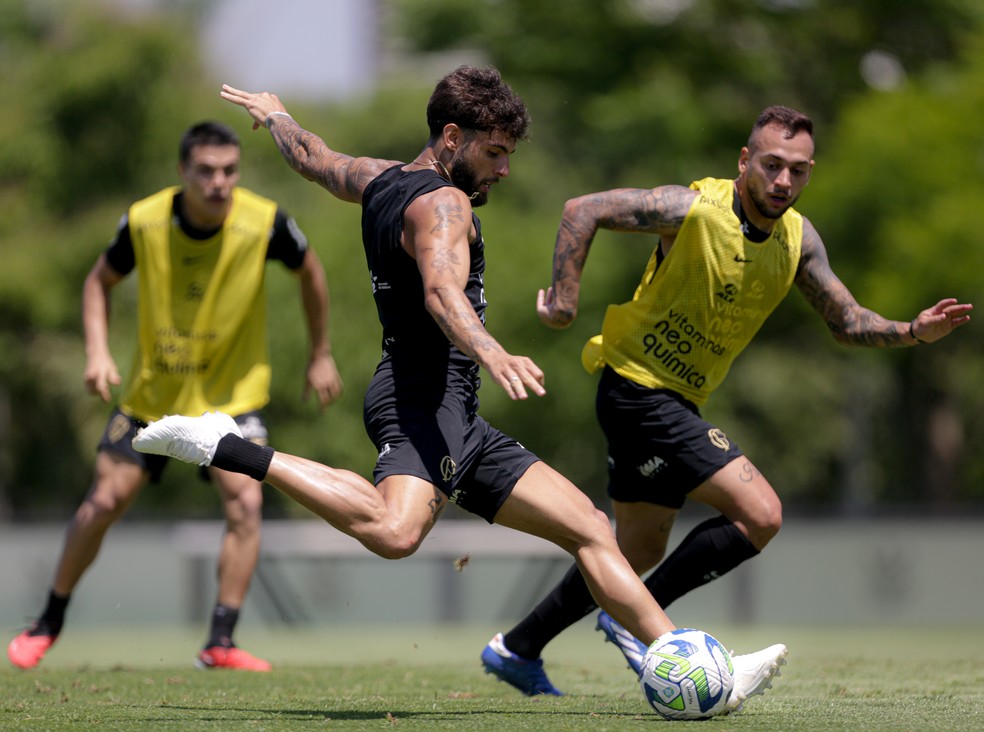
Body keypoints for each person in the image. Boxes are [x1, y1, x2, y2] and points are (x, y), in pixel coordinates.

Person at [131, 67, 786, 711]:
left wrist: (277, 117)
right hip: (422, 401)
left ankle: (693, 667)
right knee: (394, 532)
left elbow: (314, 158)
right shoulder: (443, 206)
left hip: (453, 411)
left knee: (589, 529)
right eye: (494, 152)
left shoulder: (382, 178)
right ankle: (229, 445)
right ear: (451, 137)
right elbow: (443, 296)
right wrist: (493, 350)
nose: (504, 169)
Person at [481, 105, 973, 695]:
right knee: (761, 513)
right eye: (771, 165)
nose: (784, 181)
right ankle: (644, 626)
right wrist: (563, 302)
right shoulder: (693, 209)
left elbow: (846, 321)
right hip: (638, 390)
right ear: (745, 162)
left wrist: (913, 331)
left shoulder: (798, 239)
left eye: (798, 169)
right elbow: (581, 210)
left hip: (672, 400)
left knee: (633, 549)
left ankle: (518, 647)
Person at [7, 121, 343, 672]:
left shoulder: (265, 221)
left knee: (247, 505)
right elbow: (98, 282)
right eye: (206, 171)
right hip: (152, 396)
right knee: (103, 504)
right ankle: (47, 623)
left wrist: (321, 351)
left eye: (229, 170)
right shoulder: (144, 220)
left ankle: (220, 642)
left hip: (232, 399)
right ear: (182, 172)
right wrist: (97, 351)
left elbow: (311, 272)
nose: (219, 182)